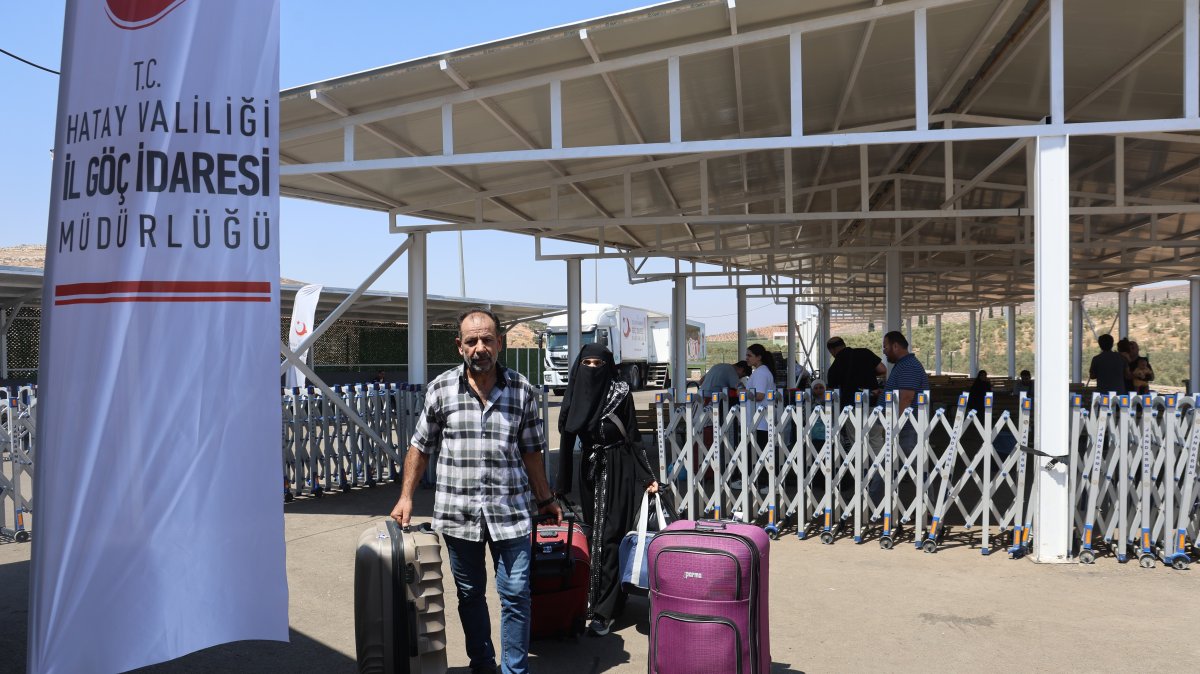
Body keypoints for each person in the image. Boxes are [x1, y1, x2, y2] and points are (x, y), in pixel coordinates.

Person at [390, 308, 560, 674]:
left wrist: (545, 499)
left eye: (487, 340)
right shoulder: (440, 390)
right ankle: (482, 665)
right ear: (459, 346)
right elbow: (419, 447)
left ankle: (514, 670)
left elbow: (532, 452)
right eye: (471, 341)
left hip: (511, 514)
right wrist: (406, 496)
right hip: (458, 515)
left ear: (500, 343)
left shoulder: (522, 391)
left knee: (516, 596)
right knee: (469, 596)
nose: (479, 347)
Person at [555, 344, 659, 637]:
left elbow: (633, 436)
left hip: (619, 468)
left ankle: (606, 609)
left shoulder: (620, 392)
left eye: (597, 363)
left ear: (608, 365)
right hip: (591, 470)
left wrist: (647, 477)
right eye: (586, 362)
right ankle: (598, 598)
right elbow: (566, 436)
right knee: (594, 535)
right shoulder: (575, 393)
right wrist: (561, 484)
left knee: (611, 535)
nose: (591, 368)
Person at [825, 336, 887, 408]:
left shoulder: (833, 369)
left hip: (849, 405)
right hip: (871, 398)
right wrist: (870, 373)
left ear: (831, 350)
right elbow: (883, 369)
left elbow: (833, 394)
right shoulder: (865, 352)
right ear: (844, 345)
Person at [882, 331, 929, 412]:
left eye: (885, 347)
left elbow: (906, 399)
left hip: (902, 423)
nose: (884, 351)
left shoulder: (908, 366)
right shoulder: (903, 364)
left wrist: (897, 424)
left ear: (895, 346)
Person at [745, 344, 778, 452]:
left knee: (756, 456)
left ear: (758, 357)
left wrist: (742, 392)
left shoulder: (761, 373)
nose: (746, 358)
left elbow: (759, 395)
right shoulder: (762, 371)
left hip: (759, 422)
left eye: (749, 355)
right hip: (760, 421)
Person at [809, 379, 827, 448]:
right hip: (814, 434)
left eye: (821, 387)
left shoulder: (832, 401)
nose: (818, 390)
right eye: (816, 388)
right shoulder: (809, 402)